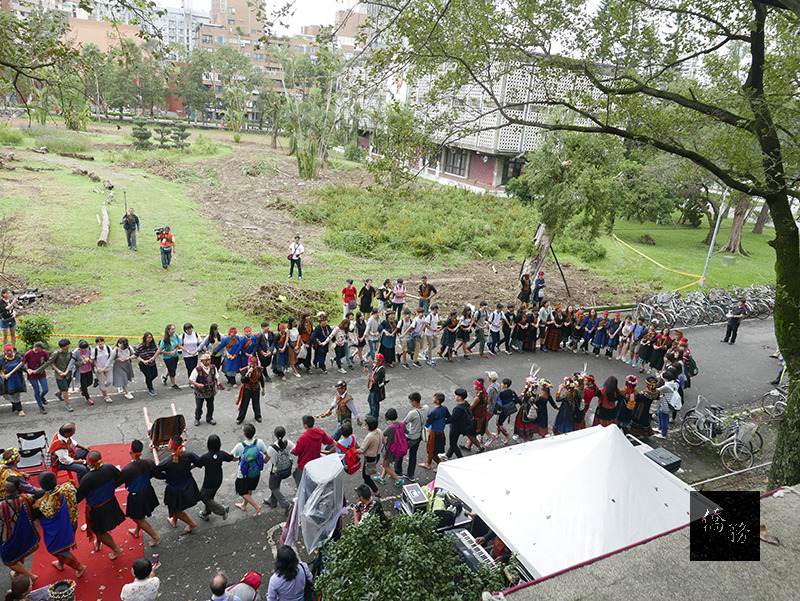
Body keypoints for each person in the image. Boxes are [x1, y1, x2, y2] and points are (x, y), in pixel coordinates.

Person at [32, 471, 86, 578]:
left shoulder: (43, 502)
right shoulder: (68, 487)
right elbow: (79, 496)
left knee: (57, 550)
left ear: (42, 486)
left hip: (60, 529)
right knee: (66, 545)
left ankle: (80, 567)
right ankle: (61, 563)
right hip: (72, 522)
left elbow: (36, 516)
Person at [77, 450, 125, 560]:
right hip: (111, 502)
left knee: (99, 531)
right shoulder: (109, 468)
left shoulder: (87, 478)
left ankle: (116, 549)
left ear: (89, 463)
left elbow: (79, 496)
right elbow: (119, 477)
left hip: (97, 509)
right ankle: (99, 542)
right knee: (101, 528)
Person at [116, 440, 161, 548]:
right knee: (140, 514)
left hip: (137, 496)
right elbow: (156, 474)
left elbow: (117, 482)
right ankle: (137, 531)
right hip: (148, 491)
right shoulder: (148, 462)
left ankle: (155, 536)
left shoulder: (128, 469)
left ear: (130, 452)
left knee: (137, 518)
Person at [153, 436, 200, 535]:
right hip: (188, 484)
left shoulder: (166, 462)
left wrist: (166, 476)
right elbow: (199, 462)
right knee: (176, 506)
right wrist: (189, 468)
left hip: (175, 489)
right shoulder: (188, 454)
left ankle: (191, 524)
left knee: (174, 509)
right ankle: (174, 521)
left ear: (170, 447)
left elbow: (155, 472)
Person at [0, 479, 39, 583]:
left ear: (4, 489)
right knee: (20, 551)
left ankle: (30, 576)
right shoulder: (27, 498)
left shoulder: (1, 505)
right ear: (18, 488)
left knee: (7, 559)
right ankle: (18, 574)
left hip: (9, 536)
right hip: (24, 532)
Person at [231, 424, 267, 517]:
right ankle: (244, 505)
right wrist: (264, 461)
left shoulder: (240, 446)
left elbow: (231, 457)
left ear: (244, 433)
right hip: (255, 472)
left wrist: (238, 458)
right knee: (249, 489)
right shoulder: (259, 442)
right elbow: (266, 453)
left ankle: (256, 506)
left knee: (242, 491)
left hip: (244, 474)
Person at [195, 434, 233, 522]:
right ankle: (206, 513)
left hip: (209, 482)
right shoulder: (221, 454)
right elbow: (230, 457)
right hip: (218, 479)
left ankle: (221, 510)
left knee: (203, 497)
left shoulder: (205, 457)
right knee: (210, 497)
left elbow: (197, 464)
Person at [291, 415, 334, 486]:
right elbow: (330, 441)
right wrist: (336, 448)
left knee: (297, 477)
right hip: (316, 462)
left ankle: (302, 494)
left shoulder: (303, 438)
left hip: (304, 465)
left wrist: (291, 450)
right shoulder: (320, 432)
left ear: (305, 425)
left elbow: (296, 452)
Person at [395, 392, 428, 482]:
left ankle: (398, 471)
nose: (410, 403)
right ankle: (411, 474)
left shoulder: (413, 413)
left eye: (411, 402)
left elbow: (403, 423)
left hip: (411, 436)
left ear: (414, 402)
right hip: (419, 436)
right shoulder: (426, 408)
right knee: (413, 455)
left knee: (400, 451)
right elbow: (428, 415)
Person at [264, 427, 294, 516]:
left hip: (276, 471)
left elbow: (265, 460)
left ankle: (286, 504)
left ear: (275, 435)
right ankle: (272, 501)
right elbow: (295, 451)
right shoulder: (289, 443)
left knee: (272, 486)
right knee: (276, 485)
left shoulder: (271, 448)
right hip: (286, 469)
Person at [374, 408, 405, 487]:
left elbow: (382, 436)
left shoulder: (390, 427)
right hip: (398, 447)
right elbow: (406, 432)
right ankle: (382, 478)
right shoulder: (402, 424)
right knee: (386, 464)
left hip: (389, 449)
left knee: (385, 465)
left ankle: (398, 480)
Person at [189, 353, 222, 427]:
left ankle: (209, 418)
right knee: (199, 406)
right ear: (202, 361)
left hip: (211, 391)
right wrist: (197, 385)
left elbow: (216, 376)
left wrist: (218, 381)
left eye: (209, 360)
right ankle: (197, 418)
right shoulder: (197, 370)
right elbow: (191, 379)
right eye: (206, 360)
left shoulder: (213, 367)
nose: (208, 362)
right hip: (200, 392)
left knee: (210, 406)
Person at [419, 393, 449, 472]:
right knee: (432, 449)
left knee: (431, 450)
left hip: (434, 433)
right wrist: (442, 423)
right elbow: (449, 417)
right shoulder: (444, 408)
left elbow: (427, 423)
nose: (433, 399)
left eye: (434, 398)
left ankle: (440, 464)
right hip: (441, 432)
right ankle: (428, 463)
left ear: (437, 401)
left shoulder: (434, 412)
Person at [359, 416, 382, 497]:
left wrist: (353, 450)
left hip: (369, 458)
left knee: (365, 476)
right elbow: (384, 440)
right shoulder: (379, 431)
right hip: (377, 455)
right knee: (367, 474)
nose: (365, 425)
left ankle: (376, 492)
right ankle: (364, 488)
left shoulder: (370, 436)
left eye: (366, 424)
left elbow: (362, 450)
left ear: (369, 426)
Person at [237, 357, 265, 425]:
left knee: (256, 403)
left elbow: (261, 379)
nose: (252, 365)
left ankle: (257, 416)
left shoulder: (259, 369)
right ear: (248, 363)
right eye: (250, 363)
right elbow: (242, 380)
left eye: (253, 364)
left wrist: (263, 388)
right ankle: (240, 418)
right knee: (244, 404)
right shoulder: (244, 370)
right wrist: (247, 374)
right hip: (247, 389)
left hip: (256, 389)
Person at [22, 342, 49, 414]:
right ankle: (41, 407)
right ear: (34, 347)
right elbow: (22, 364)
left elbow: (48, 361)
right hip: (32, 375)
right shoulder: (28, 354)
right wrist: (27, 370)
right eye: (37, 349)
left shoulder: (44, 353)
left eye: (40, 350)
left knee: (45, 389)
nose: (38, 351)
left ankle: (41, 397)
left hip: (41, 373)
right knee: (36, 390)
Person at [1, 345, 26, 417]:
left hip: (17, 378)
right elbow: (1, 369)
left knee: (16, 393)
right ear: (5, 352)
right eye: (7, 351)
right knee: (11, 393)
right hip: (8, 379)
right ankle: (17, 406)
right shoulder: (2, 360)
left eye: (10, 350)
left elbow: (22, 366)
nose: (9, 352)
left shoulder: (17, 357)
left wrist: (28, 370)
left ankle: (20, 409)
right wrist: (3, 375)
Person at [654, 372, 680, 439]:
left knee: (664, 419)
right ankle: (660, 428)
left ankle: (663, 434)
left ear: (665, 379)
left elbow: (657, 390)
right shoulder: (673, 383)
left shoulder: (666, 386)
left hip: (666, 405)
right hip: (669, 402)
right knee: (660, 414)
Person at [134, 332, 160, 397]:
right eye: (148, 337)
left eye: (151, 337)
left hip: (152, 363)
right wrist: (143, 361)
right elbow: (136, 355)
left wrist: (153, 358)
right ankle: (150, 388)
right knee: (149, 376)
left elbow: (157, 352)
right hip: (144, 364)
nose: (149, 339)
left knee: (154, 374)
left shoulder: (153, 345)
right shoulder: (140, 346)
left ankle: (148, 381)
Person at [158, 324, 181, 390]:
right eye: (172, 329)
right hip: (167, 357)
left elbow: (178, 345)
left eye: (174, 329)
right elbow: (160, 350)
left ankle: (164, 376)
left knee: (173, 368)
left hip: (175, 355)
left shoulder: (176, 336)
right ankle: (173, 384)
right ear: (168, 331)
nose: (174, 330)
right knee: (172, 370)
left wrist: (174, 350)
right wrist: (168, 352)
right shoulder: (164, 340)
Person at [71, 339, 94, 405]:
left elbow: (92, 358)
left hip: (89, 369)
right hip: (81, 371)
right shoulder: (76, 352)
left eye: (84, 348)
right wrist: (82, 362)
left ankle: (82, 389)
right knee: (84, 384)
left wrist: (89, 360)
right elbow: (74, 362)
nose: (83, 350)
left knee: (90, 382)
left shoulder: (89, 350)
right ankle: (88, 398)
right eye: (82, 349)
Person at [92, 336, 113, 403]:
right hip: (98, 369)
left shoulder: (108, 348)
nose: (100, 343)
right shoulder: (95, 350)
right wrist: (98, 368)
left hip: (107, 367)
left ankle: (102, 387)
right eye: (98, 342)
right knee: (101, 383)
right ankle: (106, 396)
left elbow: (110, 358)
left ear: (104, 341)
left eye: (101, 341)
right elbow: (93, 360)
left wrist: (104, 368)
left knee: (110, 381)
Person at [366, 354, 386, 418]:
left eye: (376, 360)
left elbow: (375, 380)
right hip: (372, 387)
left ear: (380, 361)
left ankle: (375, 416)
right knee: (369, 400)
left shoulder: (381, 370)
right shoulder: (376, 366)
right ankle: (371, 411)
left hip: (376, 388)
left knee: (375, 403)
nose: (374, 361)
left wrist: (368, 373)